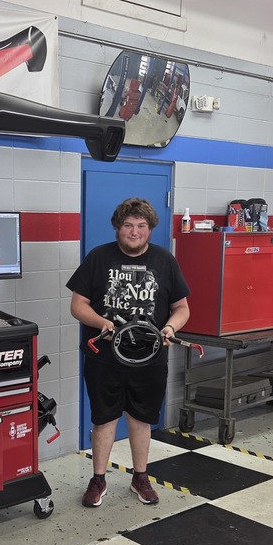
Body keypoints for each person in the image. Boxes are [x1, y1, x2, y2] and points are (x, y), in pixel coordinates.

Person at [67, 197, 190, 508]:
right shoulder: (98, 258)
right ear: (117, 227)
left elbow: (181, 308)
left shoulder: (165, 261)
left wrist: (171, 328)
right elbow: (78, 305)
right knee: (104, 418)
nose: (134, 232)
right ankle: (98, 479)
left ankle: (140, 476)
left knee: (141, 418)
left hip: (149, 358)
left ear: (149, 229)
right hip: (104, 358)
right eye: (128, 225)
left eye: (141, 226)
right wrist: (101, 322)